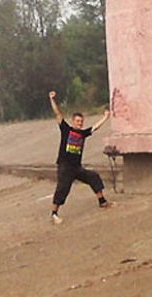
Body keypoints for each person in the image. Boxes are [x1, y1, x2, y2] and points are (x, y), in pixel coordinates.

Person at [48, 90, 111, 223]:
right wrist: (52, 99)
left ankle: (102, 201)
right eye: (77, 121)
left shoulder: (83, 133)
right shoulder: (66, 129)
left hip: (76, 167)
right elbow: (58, 114)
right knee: (63, 188)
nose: (79, 123)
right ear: (73, 121)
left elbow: (95, 127)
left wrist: (106, 117)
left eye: (81, 121)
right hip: (65, 165)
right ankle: (54, 213)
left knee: (93, 176)